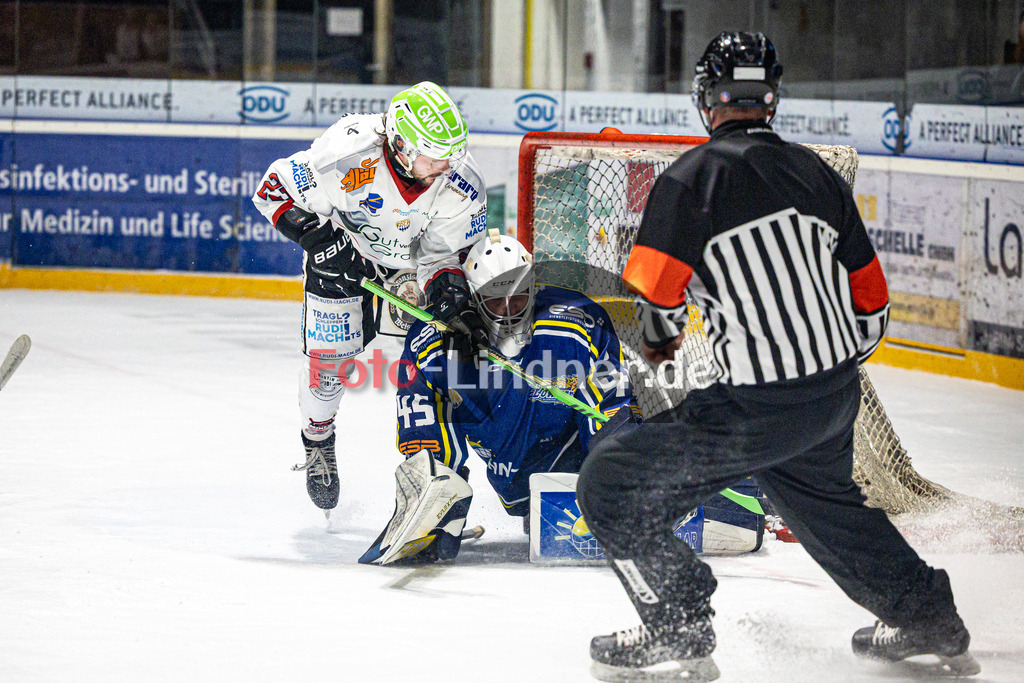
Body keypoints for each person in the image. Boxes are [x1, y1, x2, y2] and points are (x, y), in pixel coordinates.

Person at [575, 32, 979, 682]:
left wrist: (665, 368)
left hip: (754, 404)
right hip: (833, 394)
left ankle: (676, 618)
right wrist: (820, 365)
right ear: (771, 99)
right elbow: (871, 303)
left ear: (708, 99)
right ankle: (925, 614)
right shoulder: (816, 173)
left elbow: (652, 315)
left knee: (610, 485)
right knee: (824, 506)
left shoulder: (689, 181)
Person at [357, 231, 765, 565]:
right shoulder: (434, 344)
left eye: (518, 296)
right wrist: (435, 488)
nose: (509, 310)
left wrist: (617, 480)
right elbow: (422, 421)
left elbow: (612, 408)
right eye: (495, 301)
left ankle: (728, 480)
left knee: (742, 521)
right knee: (528, 525)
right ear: (474, 299)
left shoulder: (576, 321)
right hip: (525, 490)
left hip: (581, 469)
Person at [252, 82, 489, 516]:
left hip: (410, 268)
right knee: (328, 372)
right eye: (434, 158)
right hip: (342, 261)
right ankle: (318, 439)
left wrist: (450, 292)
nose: (446, 167)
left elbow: (444, 254)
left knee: (436, 365)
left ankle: (433, 471)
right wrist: (321, 240)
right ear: (399, 143)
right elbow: (272, 189)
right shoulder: (348, 150)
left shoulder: (460, 181)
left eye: (451, 156)